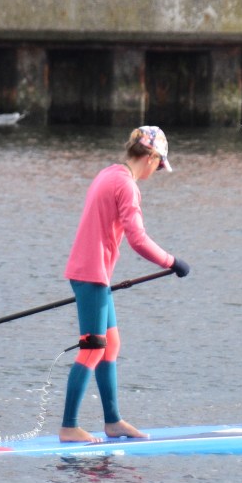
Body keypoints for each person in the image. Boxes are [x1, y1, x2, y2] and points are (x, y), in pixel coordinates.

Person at [59, 126, 190, 443]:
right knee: (92, 349)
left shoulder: (109, 173)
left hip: (93, 273)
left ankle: (113, 422)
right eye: (159, 165)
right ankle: (68, 427)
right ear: (152, 157)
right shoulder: (127, 186)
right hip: (91, 274)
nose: (157, 171)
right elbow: (138, 240)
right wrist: (172, 262)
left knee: (110, 345)